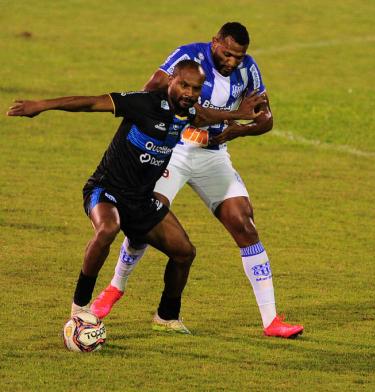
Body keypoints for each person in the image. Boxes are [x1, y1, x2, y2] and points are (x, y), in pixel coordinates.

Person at [7, 60, 263, 331]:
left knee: (184, 252)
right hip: (106, 189)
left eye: (195, 88)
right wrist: (41, 106)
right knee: (108, 228)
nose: (189, 93)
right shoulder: (144, 103)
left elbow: (206, 115)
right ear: (171, 80)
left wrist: (237, 115)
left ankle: (167, 318)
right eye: (184, 85)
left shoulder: (188, 112)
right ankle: (80, 307)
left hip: (141, 200)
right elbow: (91, 102)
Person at [92, 23, 304, 338]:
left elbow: (266, 118)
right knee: (146, 219)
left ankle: (271, 321)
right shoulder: (187, 56)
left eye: (239, 56)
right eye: (227, 53)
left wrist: (237, 130)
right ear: (214, 42)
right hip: (173, 150)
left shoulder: (248, 70)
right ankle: (114, 287)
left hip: (213, 154)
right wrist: (225, 116)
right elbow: (152, 92)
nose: (232, 61)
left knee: (245, 224)